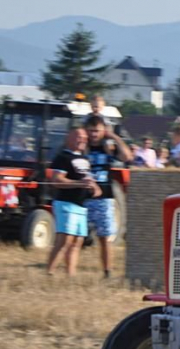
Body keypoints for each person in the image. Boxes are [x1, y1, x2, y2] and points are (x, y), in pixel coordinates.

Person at [46, 128, 101, 276]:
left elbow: (87, 179)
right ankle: (49, 272)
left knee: (77, 242)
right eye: (78, 136)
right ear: (69, 138)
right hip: (65, 203)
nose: (83, 139)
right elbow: (57, 180)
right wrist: (79, 183)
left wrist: (94, 188)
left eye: (84, 137)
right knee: (65, 240)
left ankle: (71, 275)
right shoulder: (62, 157)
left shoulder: (85, 160)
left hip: (81, 206)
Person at [84, 115, 132, 278]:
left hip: (104, 198)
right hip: (84, 197)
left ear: (103, 131)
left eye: (96, 131)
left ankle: (107, 271)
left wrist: (114, 137)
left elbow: (127, 156)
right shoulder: (83, 147)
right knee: (75, 238)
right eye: (90, 131)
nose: (93, 135)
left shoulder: (108, 148)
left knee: (105, 237)